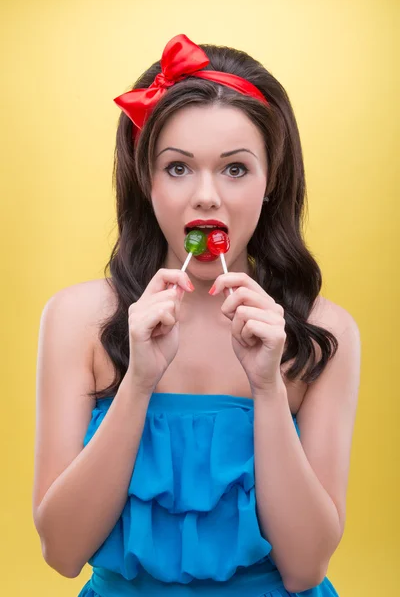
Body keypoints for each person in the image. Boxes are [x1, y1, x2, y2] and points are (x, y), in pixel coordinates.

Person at [32, 34, 361, 596]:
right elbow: (61, 553)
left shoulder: (323, 333)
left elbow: (306, 568)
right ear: (145, 178)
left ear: (271, 181)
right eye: (178, 168)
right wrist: (137, 382)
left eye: (235, 169)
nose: (207, 196)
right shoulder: (75, 319)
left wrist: (268, 389)